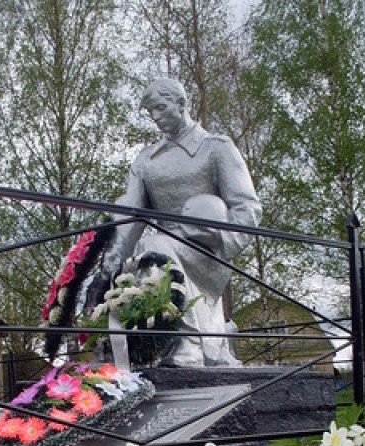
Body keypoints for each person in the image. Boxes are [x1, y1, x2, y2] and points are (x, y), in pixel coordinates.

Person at [91, 78, 262, 367]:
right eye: (150, 112)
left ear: (181, 104)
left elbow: (248, 209)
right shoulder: (146, 161)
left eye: (161, 108)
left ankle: (190, 344)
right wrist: (108, 264)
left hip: (207, 250)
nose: (156, 117)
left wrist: (220, 238)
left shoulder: (216, 148)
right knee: (146, 252)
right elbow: (130, 217)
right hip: (161, 251)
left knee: (153, 247)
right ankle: (142, 346)